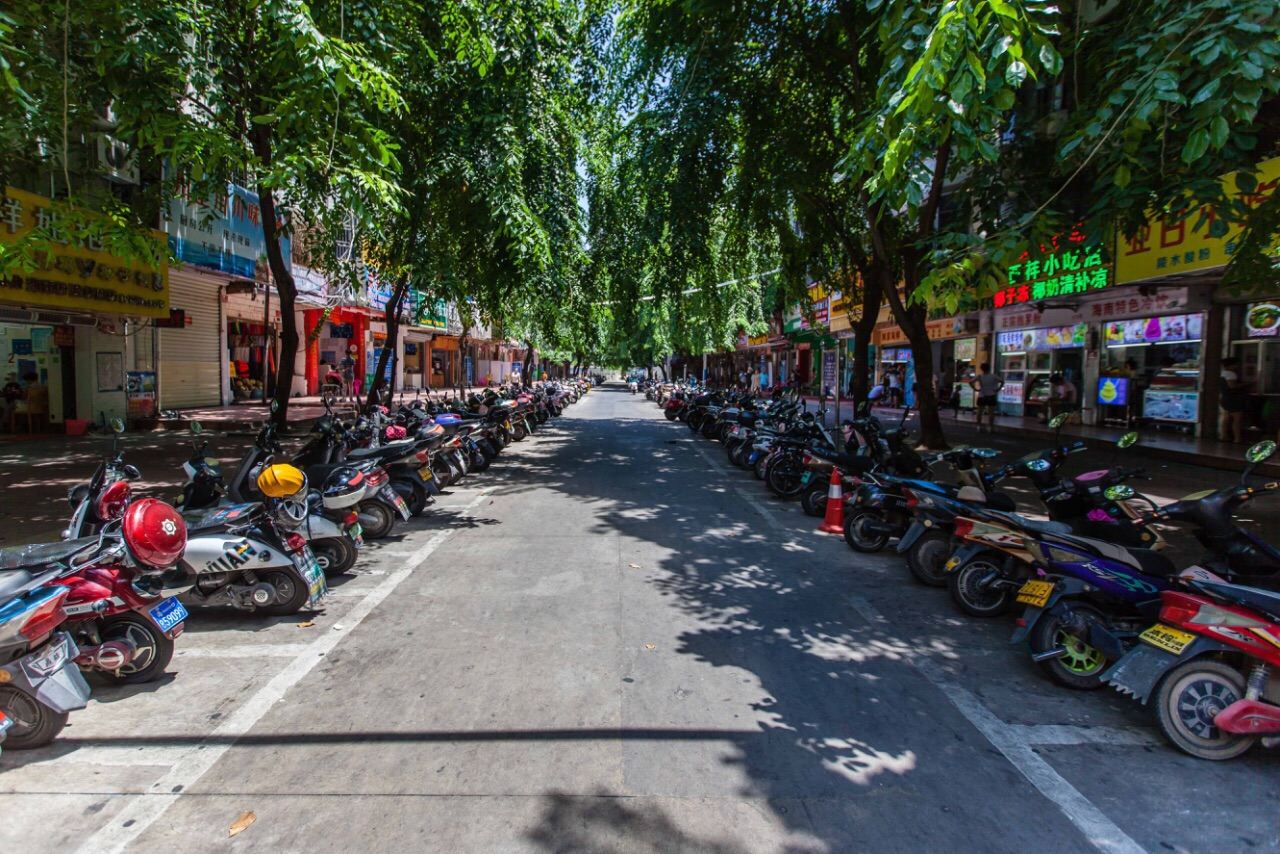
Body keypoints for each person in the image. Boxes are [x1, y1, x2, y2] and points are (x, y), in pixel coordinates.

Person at [1220, 356, 1248, 443]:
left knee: (1226, 418)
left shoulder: (1223, 373)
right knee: (1237, 419)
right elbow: (1232, 386)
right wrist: (1247, 384)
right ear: (1231, 365)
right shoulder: (1231, 374)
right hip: (1233, 399)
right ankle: (1237, 438)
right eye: (1236, 364)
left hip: (1225, 398)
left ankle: (1224, 436)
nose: (1237, 366)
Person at [971, 362, 1003, 434]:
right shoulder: (993, 376)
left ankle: (978, 426)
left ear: (981, 369)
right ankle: (990, 427)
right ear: (989, 368)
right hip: (991, 395)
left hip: (982, 395)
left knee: (979, 412)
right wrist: (998, 389)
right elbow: (1002, 381)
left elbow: (970, 382)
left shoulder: (979, 376)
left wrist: (975, 389)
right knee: (991, 412)